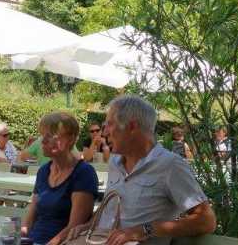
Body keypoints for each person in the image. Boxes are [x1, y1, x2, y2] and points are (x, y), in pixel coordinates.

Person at [76, 95, 216, 245]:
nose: (104, 133)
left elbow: (206, 221)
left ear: (132, 127)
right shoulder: (115, 162)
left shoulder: (170, 165)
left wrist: (145, 230)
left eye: (110, 124)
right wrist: (88, 225)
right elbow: (111, 207)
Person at [22, 112, 98, 245]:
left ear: (70, 139)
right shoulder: (43, 171)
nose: (43, 141)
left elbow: (74, 228)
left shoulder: (83, 173)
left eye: (50, 136)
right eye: (42, 135)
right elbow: (30, 216)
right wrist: (19, 236)